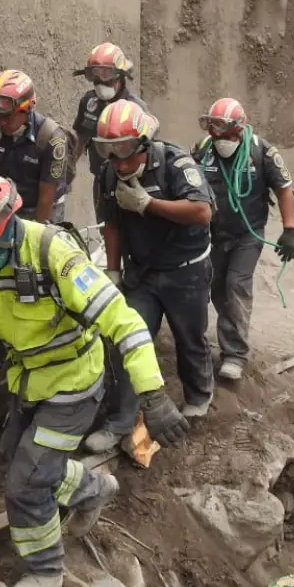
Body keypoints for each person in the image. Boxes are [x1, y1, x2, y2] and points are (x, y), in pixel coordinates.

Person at [0, 171, 189, 587]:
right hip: (31, 380)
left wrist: (154, 397)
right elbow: (13, 307)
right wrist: (3, 343)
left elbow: (125, 324)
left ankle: (45, 570)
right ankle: (94, 489)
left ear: (5, 228)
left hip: (72, 387)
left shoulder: (56, 256)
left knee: (26, 483)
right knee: (17, 456)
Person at [83, 100, 215, 453]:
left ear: (144, 144)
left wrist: (148, 204)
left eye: (126, 152)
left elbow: (202, 212)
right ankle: (120, 422)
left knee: (190, 338)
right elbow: (111, 224)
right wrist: (113, 270)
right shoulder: (109, 175)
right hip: (142, 272)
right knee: (130, 340)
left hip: (186, 269)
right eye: (110, 153)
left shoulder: (175, 164)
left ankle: (198, 398)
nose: (120, 162)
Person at [191, 98, 294, 381]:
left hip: (247, 234)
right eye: (214, 130)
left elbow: (284, 189)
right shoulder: (202, 151)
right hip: (212, 234)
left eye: (225, 131)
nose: (219, 137)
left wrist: (290, 230)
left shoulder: (261, 152)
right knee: (216, 287)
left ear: (239, 129)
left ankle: (235, 355)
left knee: (237, 284)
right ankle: (223, 339)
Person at [0, 70, 70, 223]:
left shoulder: (51, 139)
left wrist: (38, 235)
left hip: (43, 207)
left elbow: (46, 200)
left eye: (7, 117)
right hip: (8, 203)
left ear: (27, 108)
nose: (1, 122)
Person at [71, 43, 149, 219]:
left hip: (131, 181)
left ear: (120, 76)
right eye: (94, 76)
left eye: (107, 75)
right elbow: (80, 139)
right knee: (105, 226)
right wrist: (68, 172)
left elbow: (148, 149)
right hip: (101, 179)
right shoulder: (89, 103)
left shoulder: (137, 108)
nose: (101, 82)